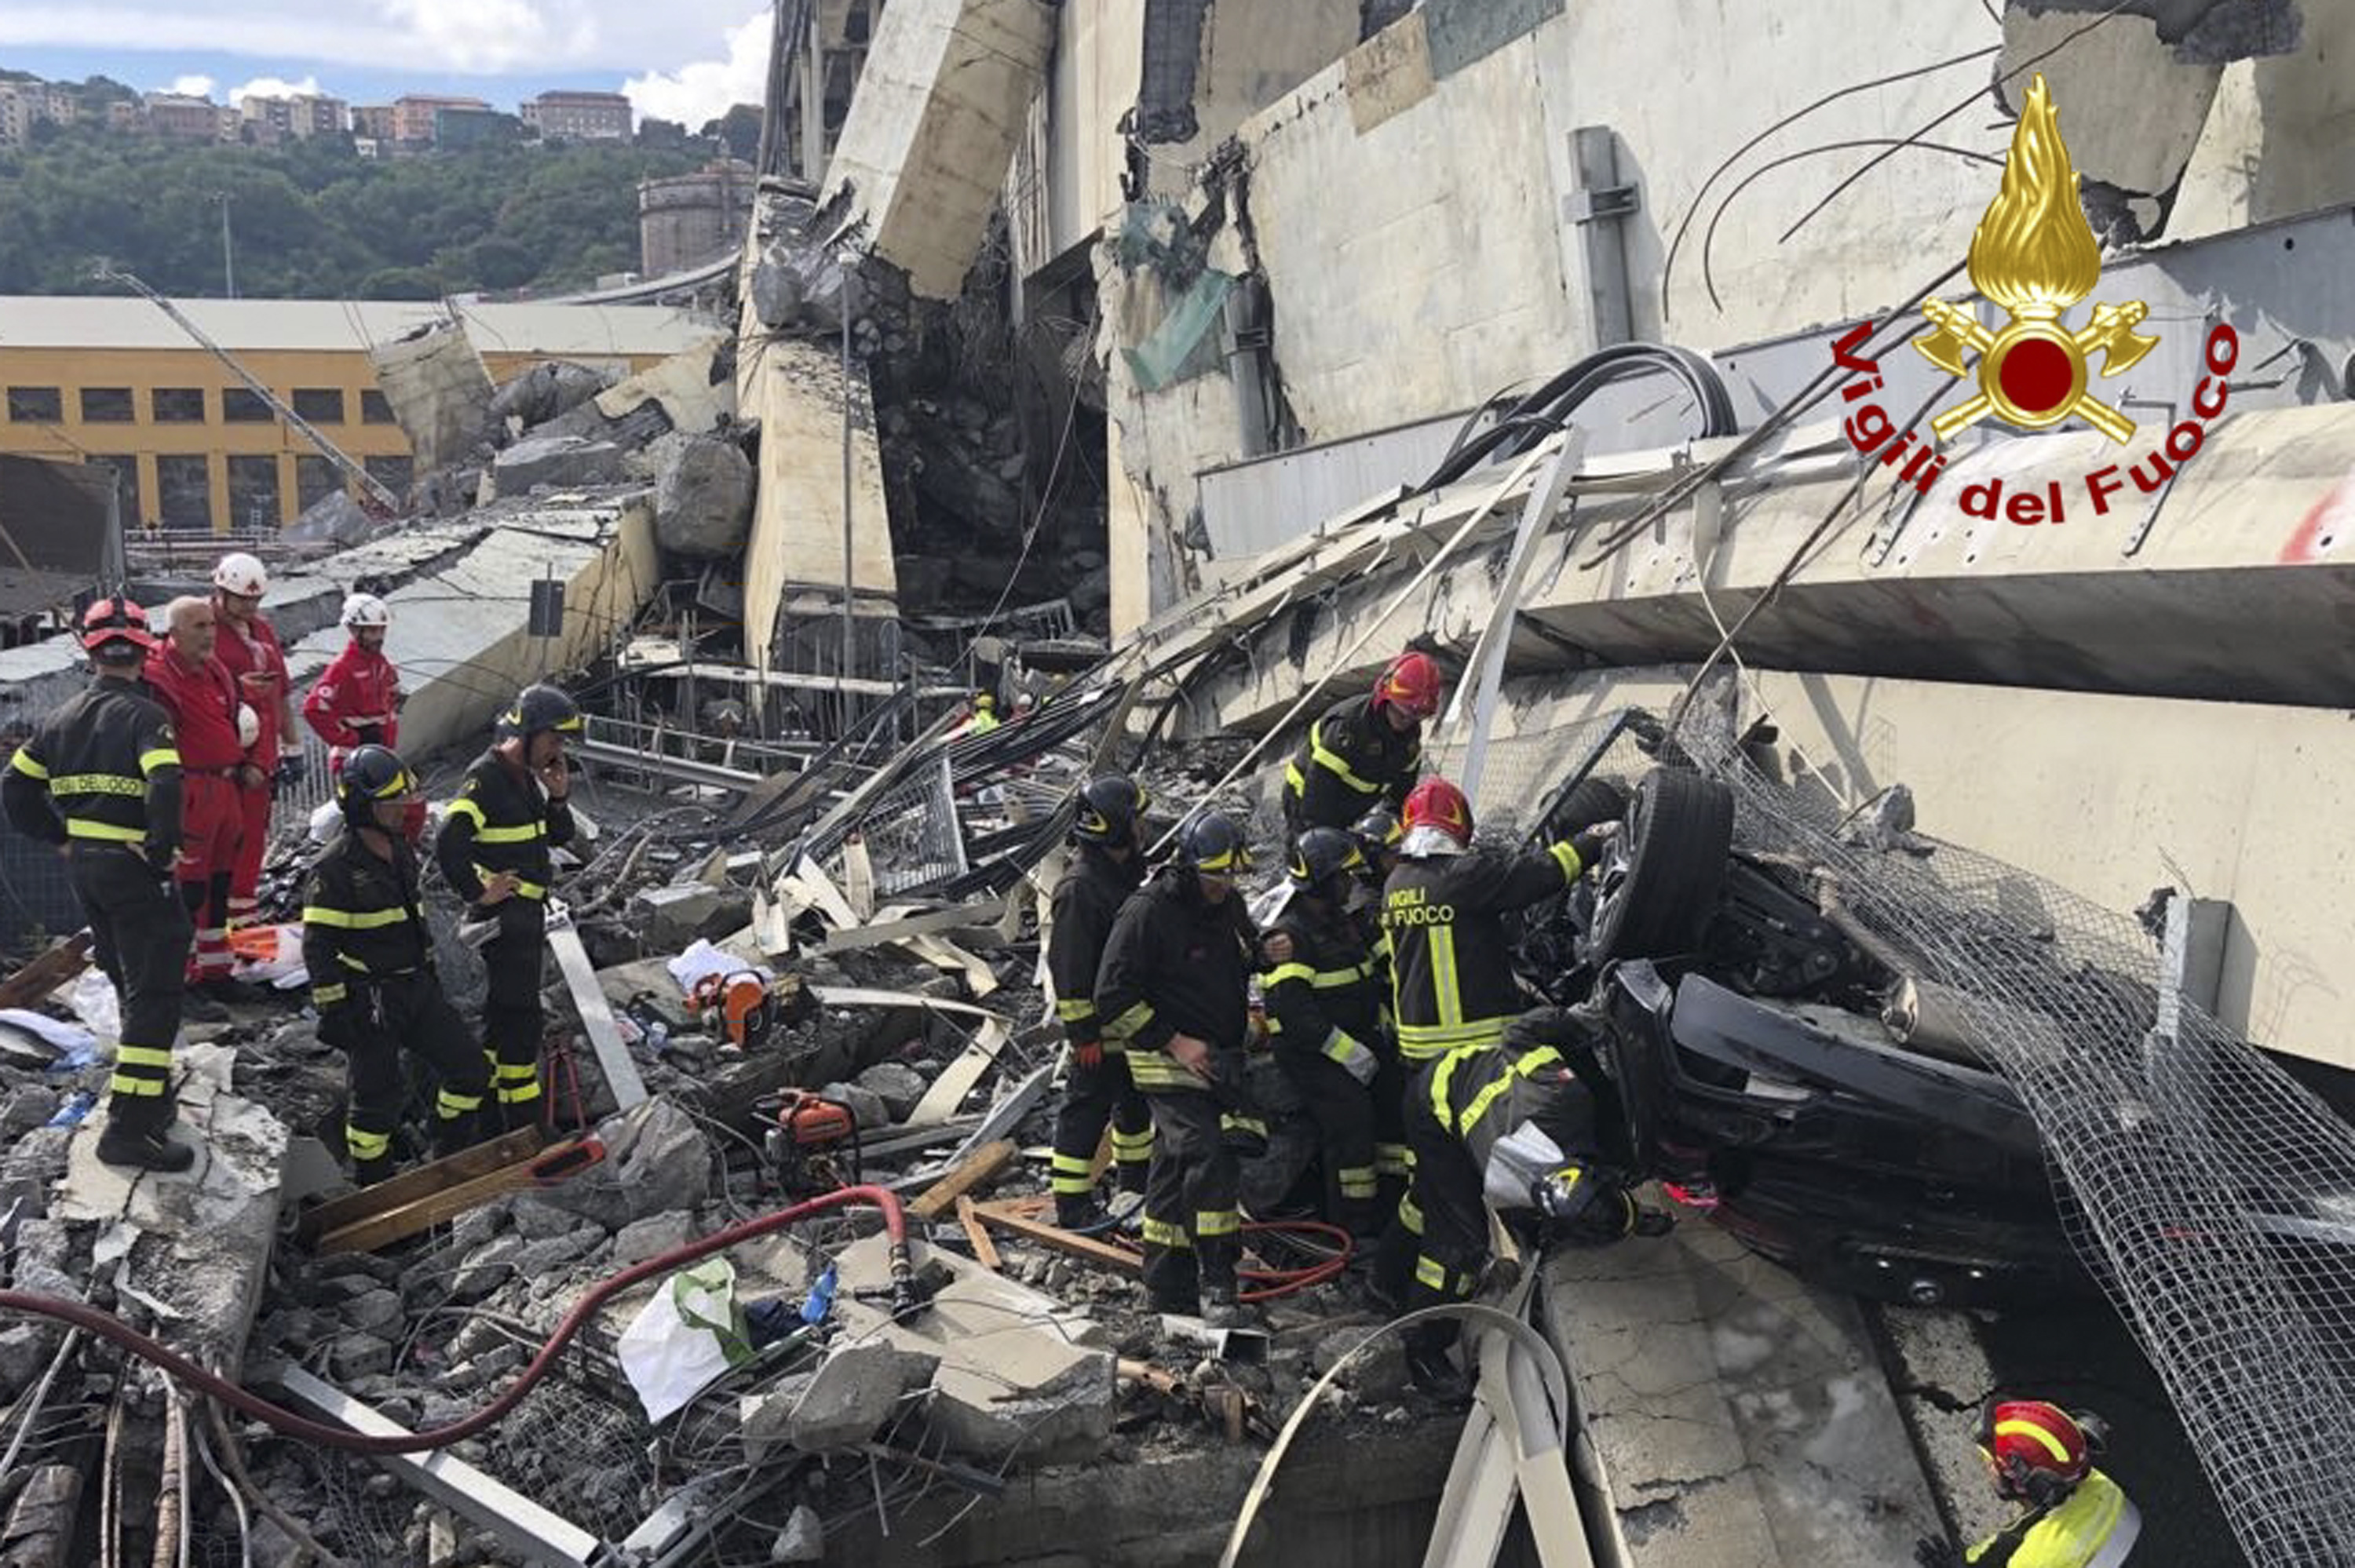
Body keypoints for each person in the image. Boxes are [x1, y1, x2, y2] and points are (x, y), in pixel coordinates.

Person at [1376, 1006, 1668, 1395]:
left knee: (1425, 1203)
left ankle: (1382, 1281)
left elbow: (1519, 1036)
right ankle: (1424, 1348)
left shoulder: (1585, 1105)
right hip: (1437, 1108)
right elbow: (1516, 1031)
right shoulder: (1537, 1125)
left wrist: (1631, 1217)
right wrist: (1573, 1018)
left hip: (1474, 1084)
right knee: (1459, 1243)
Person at [2, 598, 194, 1172]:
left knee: (127, 977)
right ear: (145, 649)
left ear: (90, 653)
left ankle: (149, 1097)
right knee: (156, 991)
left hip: (87, 867)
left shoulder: (63, 719)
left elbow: (14, 790)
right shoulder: (145, 717)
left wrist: (60, 836)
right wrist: (161, 852)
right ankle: (130, 1129)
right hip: (133, 867)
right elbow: (165, 781)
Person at [1096, 811, 1285, 1327]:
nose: (1223, 886)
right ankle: (1218, 1280)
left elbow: (1243, 956)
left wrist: (1267, 953)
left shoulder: (1229, 907)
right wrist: (1175, 1042)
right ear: (1187, 867)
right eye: (1213, 876)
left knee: (1173, 1167)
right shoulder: (1147, 912)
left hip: (1219, 1056)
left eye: (1230, 876)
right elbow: (1111, 995)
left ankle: (1164, 1284)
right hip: (1164, 1058)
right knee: (1208, 1154)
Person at [302, 746, 494, 1185]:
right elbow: (318, 947)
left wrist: (428, 979)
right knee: (373, 1102)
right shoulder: (333, 868)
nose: (401, 809)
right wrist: (334, 1010)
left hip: (416, 989)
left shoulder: (400, 850)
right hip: (369, 1000)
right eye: (391, 801)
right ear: (362, 804)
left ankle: (445, 1153)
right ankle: (374, 1182)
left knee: (470, 1070)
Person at [1382, 775, 1616, 1067]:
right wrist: (1594, 838)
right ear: (1458, 822)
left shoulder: (1395, 884)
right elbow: (1542, 874)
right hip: (1477, 1049)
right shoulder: (1461, 875)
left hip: (1418, 1054)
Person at [435, 684, 580, 1131]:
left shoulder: (524, 780)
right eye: (554, 739)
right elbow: (449, 839)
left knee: (505, 1022)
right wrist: (478, 894)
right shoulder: (488, 777)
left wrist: (557, 797)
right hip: (507, 919)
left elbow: (556, 837)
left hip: (526, 917)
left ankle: (493, 1123)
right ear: (529, 732)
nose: (558, 750)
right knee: (521, 1021)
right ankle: (523, 1125)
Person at [1260, 827, 1386, 1241]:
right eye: (1343, 876)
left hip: (1354, 1042)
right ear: (1322, 881)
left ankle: (1387, 1213)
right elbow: (1294, 1014)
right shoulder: (1292, 935)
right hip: (1313, 1054)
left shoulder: (1340, 924)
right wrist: (1351, 1054)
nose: (1351, 883)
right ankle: (1353, 1231)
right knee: (1352, 1125)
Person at [1045, 775, 1156, 1230]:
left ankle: (1134, 1189)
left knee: (1133, 1110)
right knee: (1085, 1112)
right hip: (1100, 1033)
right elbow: (1069, 970)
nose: (1144, 827)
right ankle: (1072, 1207)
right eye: (1137, 820)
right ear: (1114, 828)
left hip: (1130, 1027)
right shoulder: (1081, 888)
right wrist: (1083, 1034)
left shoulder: (1124, 873)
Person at [143, 596, 265, 1004]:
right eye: (198, 627)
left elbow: (235, 719)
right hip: (189, 789)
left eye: (210, 625)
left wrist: (248, 761)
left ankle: (216, 969)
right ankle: (183, 976)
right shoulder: (160, 676)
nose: (210, 633)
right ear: (173, 633)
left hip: (225, 787)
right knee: (188, 887)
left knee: (219, 881)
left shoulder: (215, 672)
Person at [1915, 1401, 2141, 1567]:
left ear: (2022, 1484)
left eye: (1992, 1463)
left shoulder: (2035, 1559)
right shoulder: (2097, 1484)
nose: (1988, 1469)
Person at [210, 552, 301, 928]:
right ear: (221, 592)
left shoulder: (261, 631)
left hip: (261, 756)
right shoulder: (205, 629)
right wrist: (235, 689)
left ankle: (242, 921)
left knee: (252, 841)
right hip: (223, 759)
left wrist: (291, 747)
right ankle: (216, 923)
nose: (249, 607)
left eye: (255, 601)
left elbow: (280, 692)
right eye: (242, 600)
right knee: (220, 845)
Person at [1280, 650, 1444, 838]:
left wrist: (1394, 825)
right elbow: (1320, 783)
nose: (1406, 721)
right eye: (1401, 712)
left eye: (1416, 716)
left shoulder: (1410, 736)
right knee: (1316, 855)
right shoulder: (1351, 725)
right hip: (1306, 796)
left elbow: (1403, 787)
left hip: (1351, 805)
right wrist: (1320, 834)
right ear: (1385, 697)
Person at [303, 593, 403, 770]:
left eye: (382, 629)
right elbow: (313, 708)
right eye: (373, 631)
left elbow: (390, 700)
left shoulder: (381, 663)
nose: (379, 637)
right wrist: (350, 738)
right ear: (354, 630)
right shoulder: (342, 668)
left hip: (380, 753)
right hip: (354, 761)